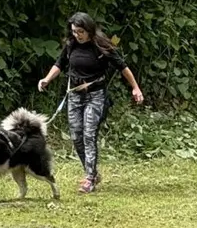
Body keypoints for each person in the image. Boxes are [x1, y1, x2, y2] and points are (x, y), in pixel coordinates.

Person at [38, 11, 143, 193]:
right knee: (76, 136)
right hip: (74, 96)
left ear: (89, 30)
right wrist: (47, 79)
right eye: (74, 31)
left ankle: (89, 178)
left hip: (96, 96)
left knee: (89, 134)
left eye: (80, 31)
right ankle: (91, 171)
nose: (77, 35)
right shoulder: (71, 45)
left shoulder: (101, 46)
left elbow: (123, 67)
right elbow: (59, 64)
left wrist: (135, 87)